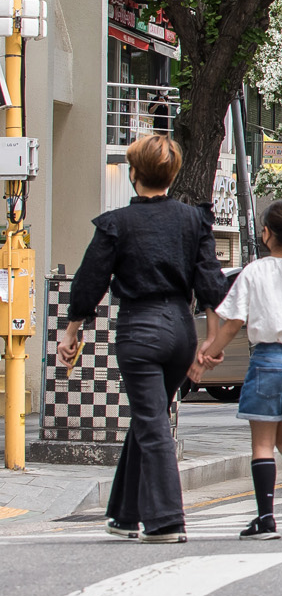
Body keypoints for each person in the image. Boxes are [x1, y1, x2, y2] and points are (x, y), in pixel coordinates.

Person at [55, 134, 230, 544]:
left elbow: (89, 282)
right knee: (150, 415)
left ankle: (167, 519)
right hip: (181, 331)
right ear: (172, 174)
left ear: (133, 174)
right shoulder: (193, 221)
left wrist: (71, 331)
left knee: (151, 423)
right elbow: (211, 283)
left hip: (140, 330)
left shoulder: (117, 224)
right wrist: (209, 341)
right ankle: (123, 513)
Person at [192, 199, 282, 540]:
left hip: (269, 361)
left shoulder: (255, 271)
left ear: (268, 234)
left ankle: (266, 519)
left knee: (262, 445)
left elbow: (232, 324)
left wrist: (208, 354)